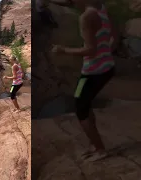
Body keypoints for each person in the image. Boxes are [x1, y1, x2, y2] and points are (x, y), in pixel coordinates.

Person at [51, 0, 119, 162]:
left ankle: (100, 149)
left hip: (92, 72)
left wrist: (63, 50)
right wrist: (106, 52)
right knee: (85, 104)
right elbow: (114, 36)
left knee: (80, 107)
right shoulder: (101, 7)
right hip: (107, 67)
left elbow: (90, 49)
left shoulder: (87, 17)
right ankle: (95, 144)